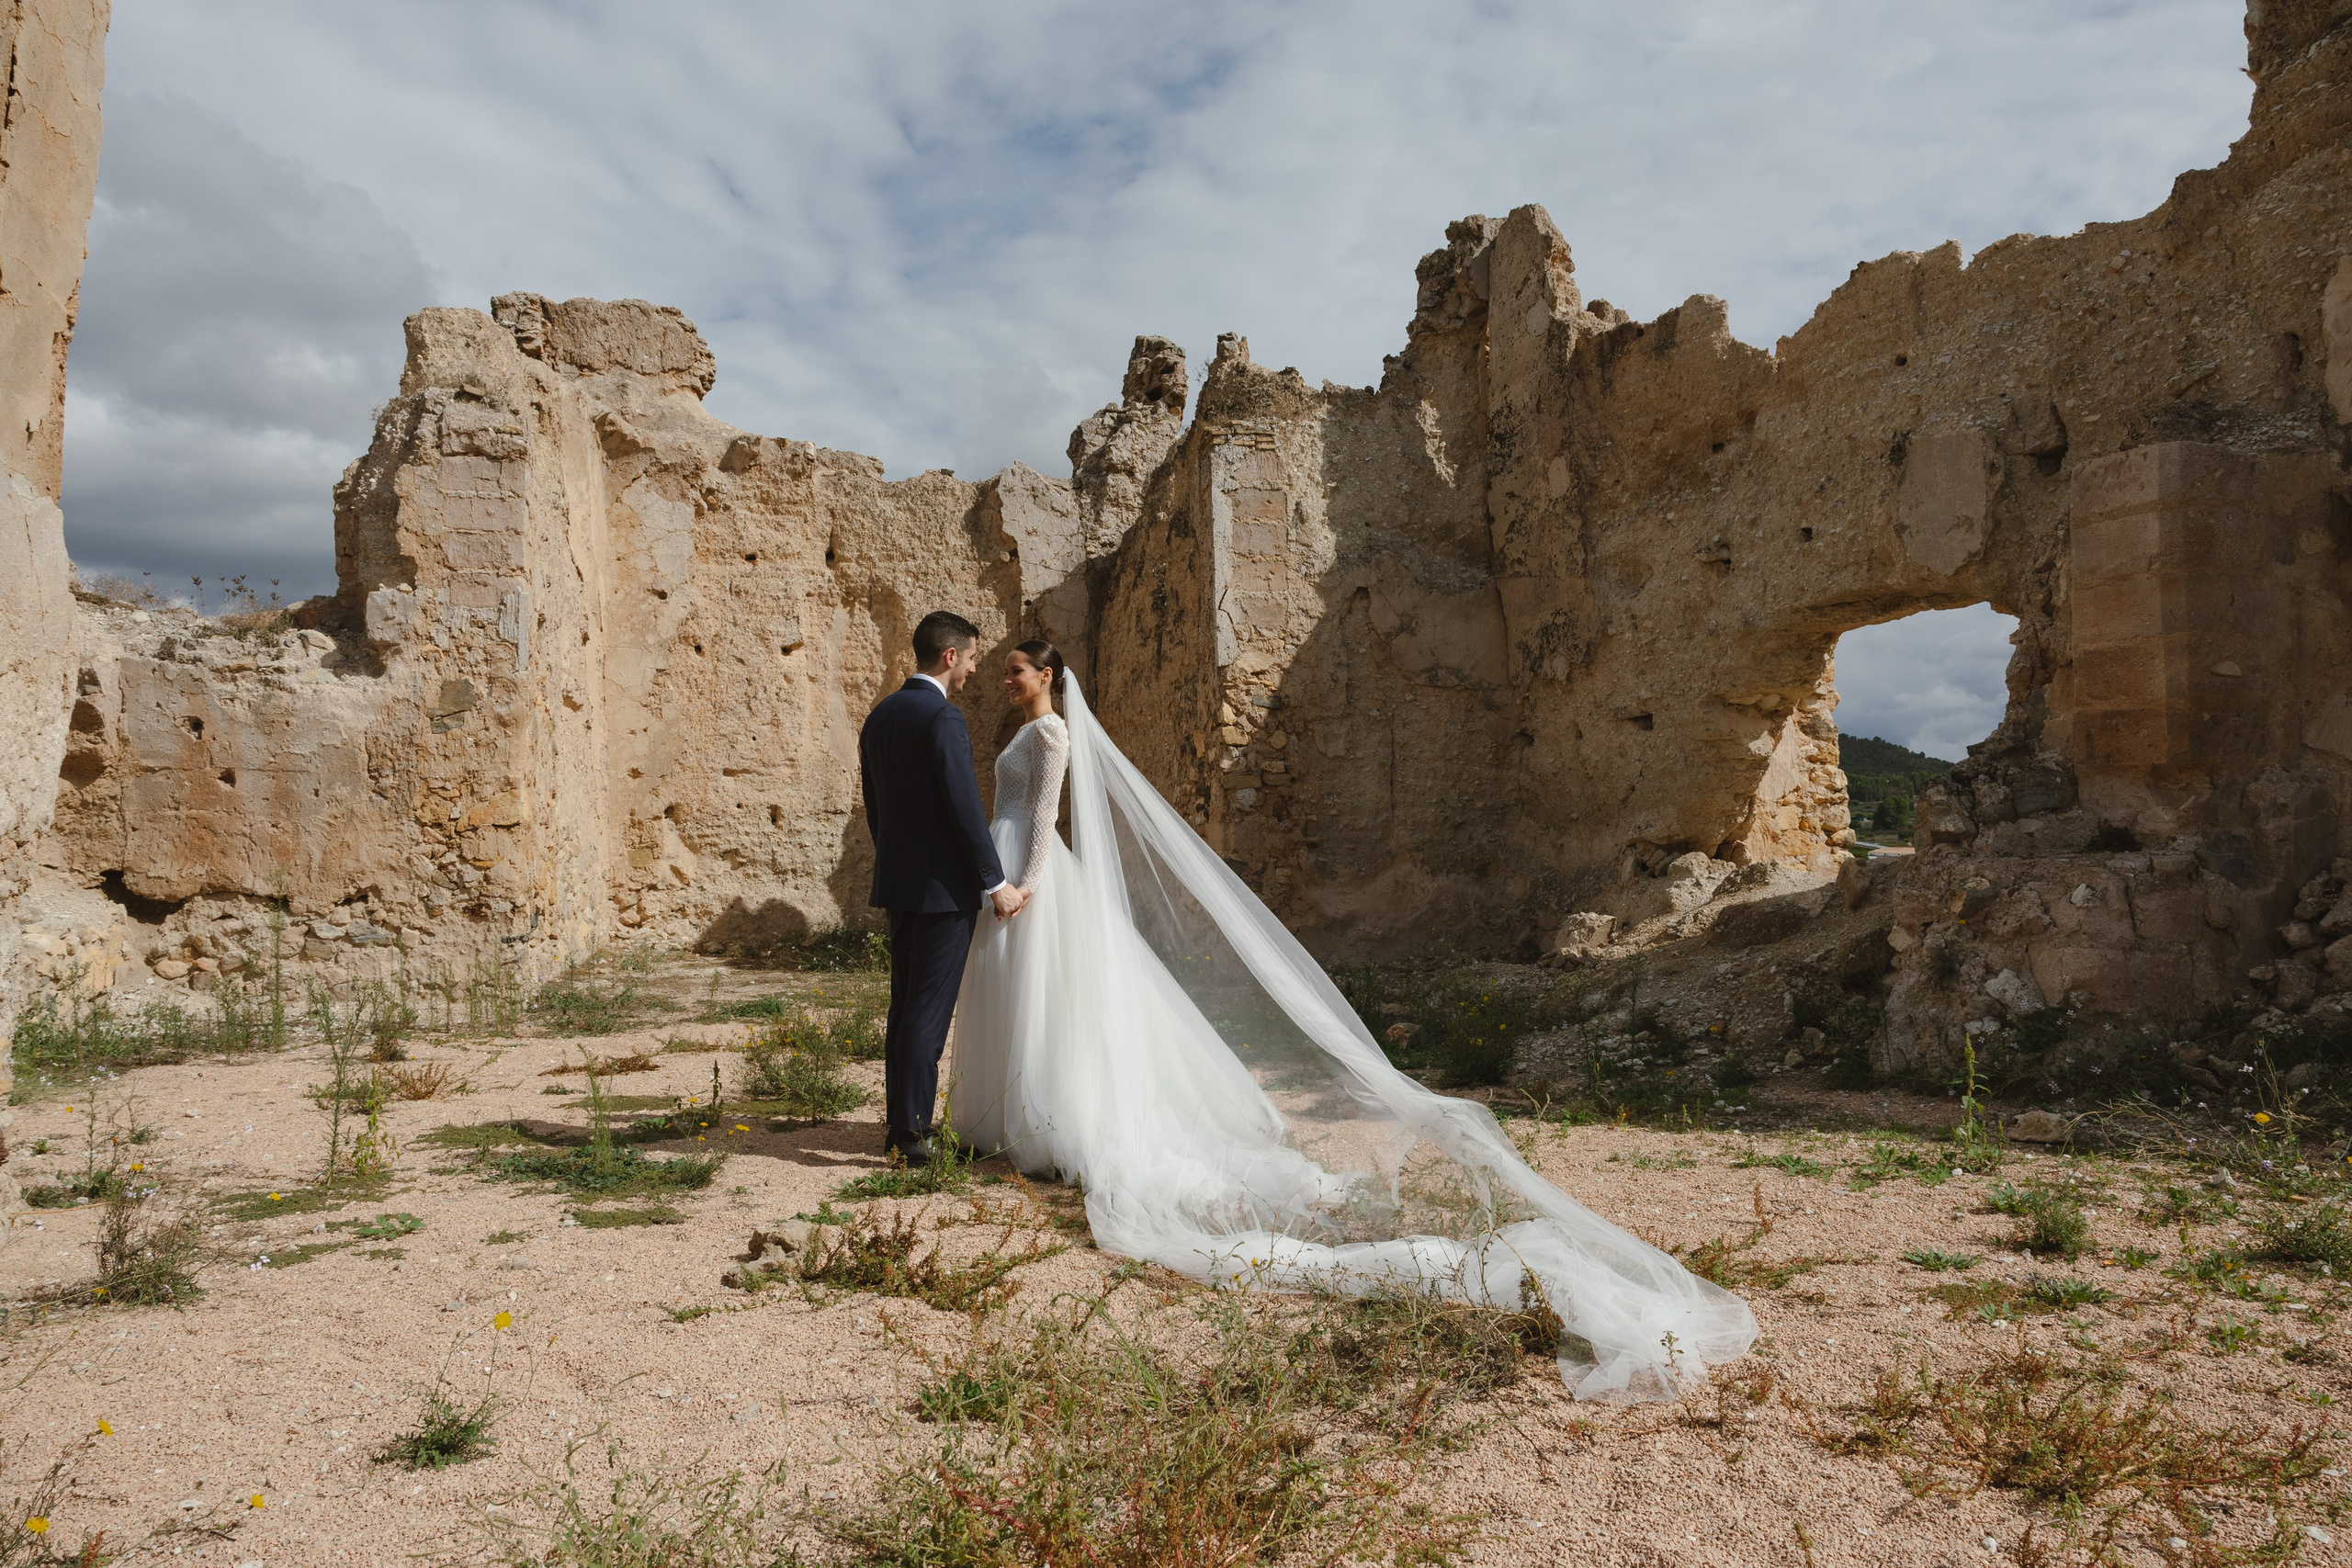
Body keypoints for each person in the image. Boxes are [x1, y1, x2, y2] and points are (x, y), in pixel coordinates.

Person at [945, 637, 1759, 1403]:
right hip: (1004, 863)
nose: (1007, 680)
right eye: (1005, 668)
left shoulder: (1052, 733)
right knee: (1021, 996)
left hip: (1032, 876)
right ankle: (1016, 1114)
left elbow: (1046, 821)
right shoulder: (1023, 731)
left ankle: (1048, 1120)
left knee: (1046, 994)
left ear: (1048, 677)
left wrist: (1028, 885)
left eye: (1017, 669)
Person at [856, 610, 1026, 1168]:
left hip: (900, 884)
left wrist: (898, 865)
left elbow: (876, 810)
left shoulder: (880, 716)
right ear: (950, 656)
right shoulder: (943, 717)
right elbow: (964, 807)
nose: (975, 669)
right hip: (943, 893)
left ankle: (899, 1126)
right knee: (927, 1013)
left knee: (905, 1006)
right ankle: (912, 1135)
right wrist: (995, 882)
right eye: (972, 658)